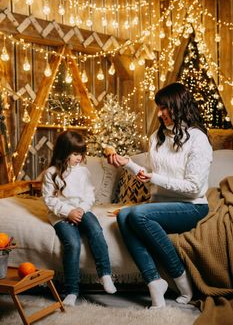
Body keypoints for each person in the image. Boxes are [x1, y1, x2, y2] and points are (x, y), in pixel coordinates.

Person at [107, 82, 213, 309]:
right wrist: (128, 165)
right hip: (161, 206)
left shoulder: (198, 139)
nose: (160, 113)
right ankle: (154, 282)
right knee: (124, 216)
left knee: (136, 215)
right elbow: (149, 177)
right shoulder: (157, 136)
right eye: (158, 107)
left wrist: (153, 179)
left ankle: (181, 279)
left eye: (165, 107)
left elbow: (193, 187)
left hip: (191, 206)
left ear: (179, 105)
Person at [42, 130, 116, 306]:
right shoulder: (51, 173)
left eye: (81, 153)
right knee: (72, 243)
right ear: (64, 152)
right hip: (60, 215)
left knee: (96, 230)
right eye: (76, 153)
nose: (80, 157)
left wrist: (81, 210)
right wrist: (68, 212)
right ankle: (72, 291)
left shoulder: (83, 172)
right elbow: (49, 200)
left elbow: (89, 195)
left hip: (82, 210)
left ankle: (105, 273)